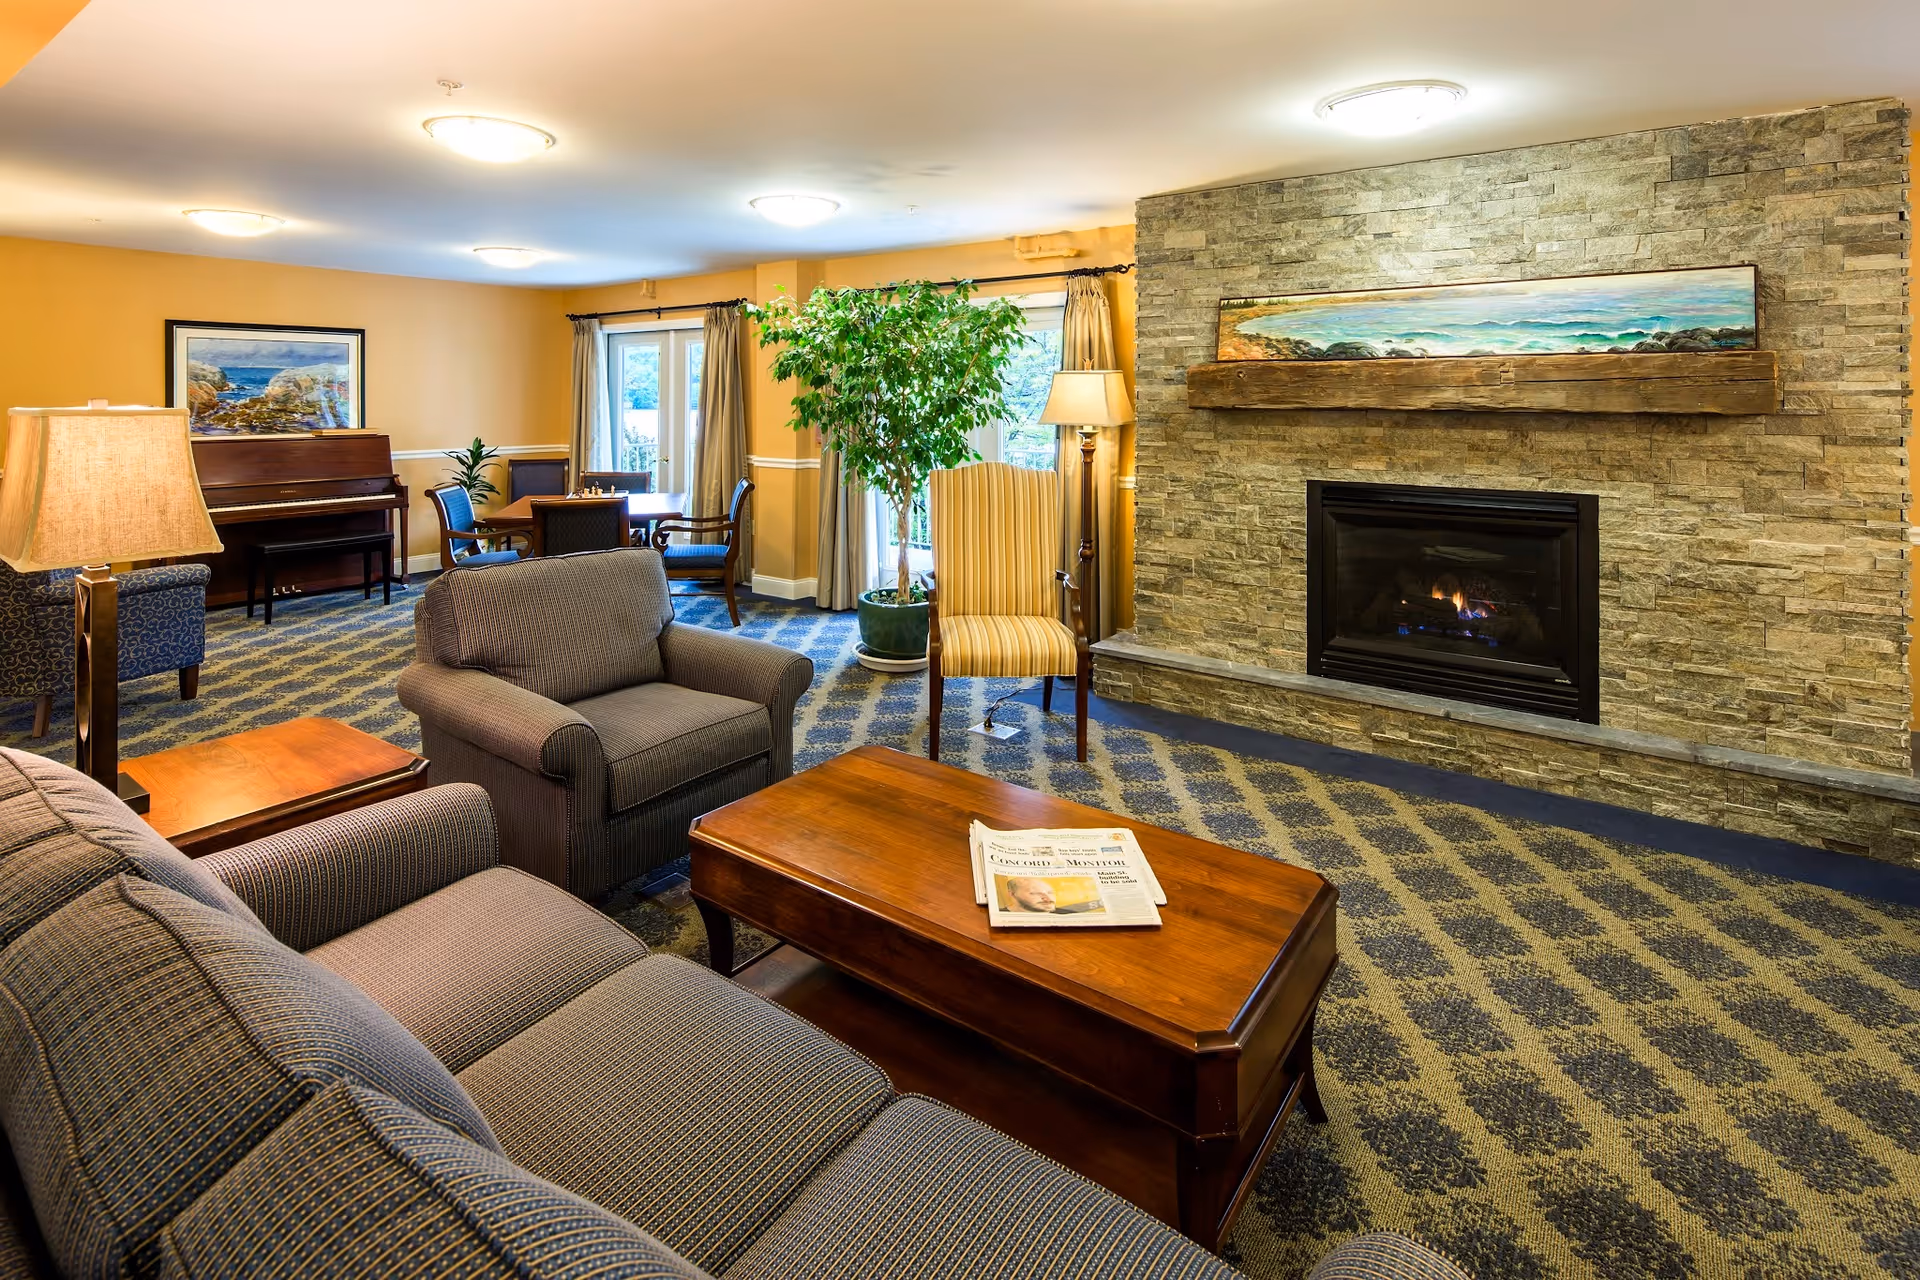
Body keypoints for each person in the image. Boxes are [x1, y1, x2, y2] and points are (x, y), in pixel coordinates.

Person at [1002, 876, 1099, 914]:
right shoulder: (1000, 915)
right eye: (1034, 893)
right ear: (1012, 894)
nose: (1048, 898)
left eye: (1050, 892)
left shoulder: (1066, 913)